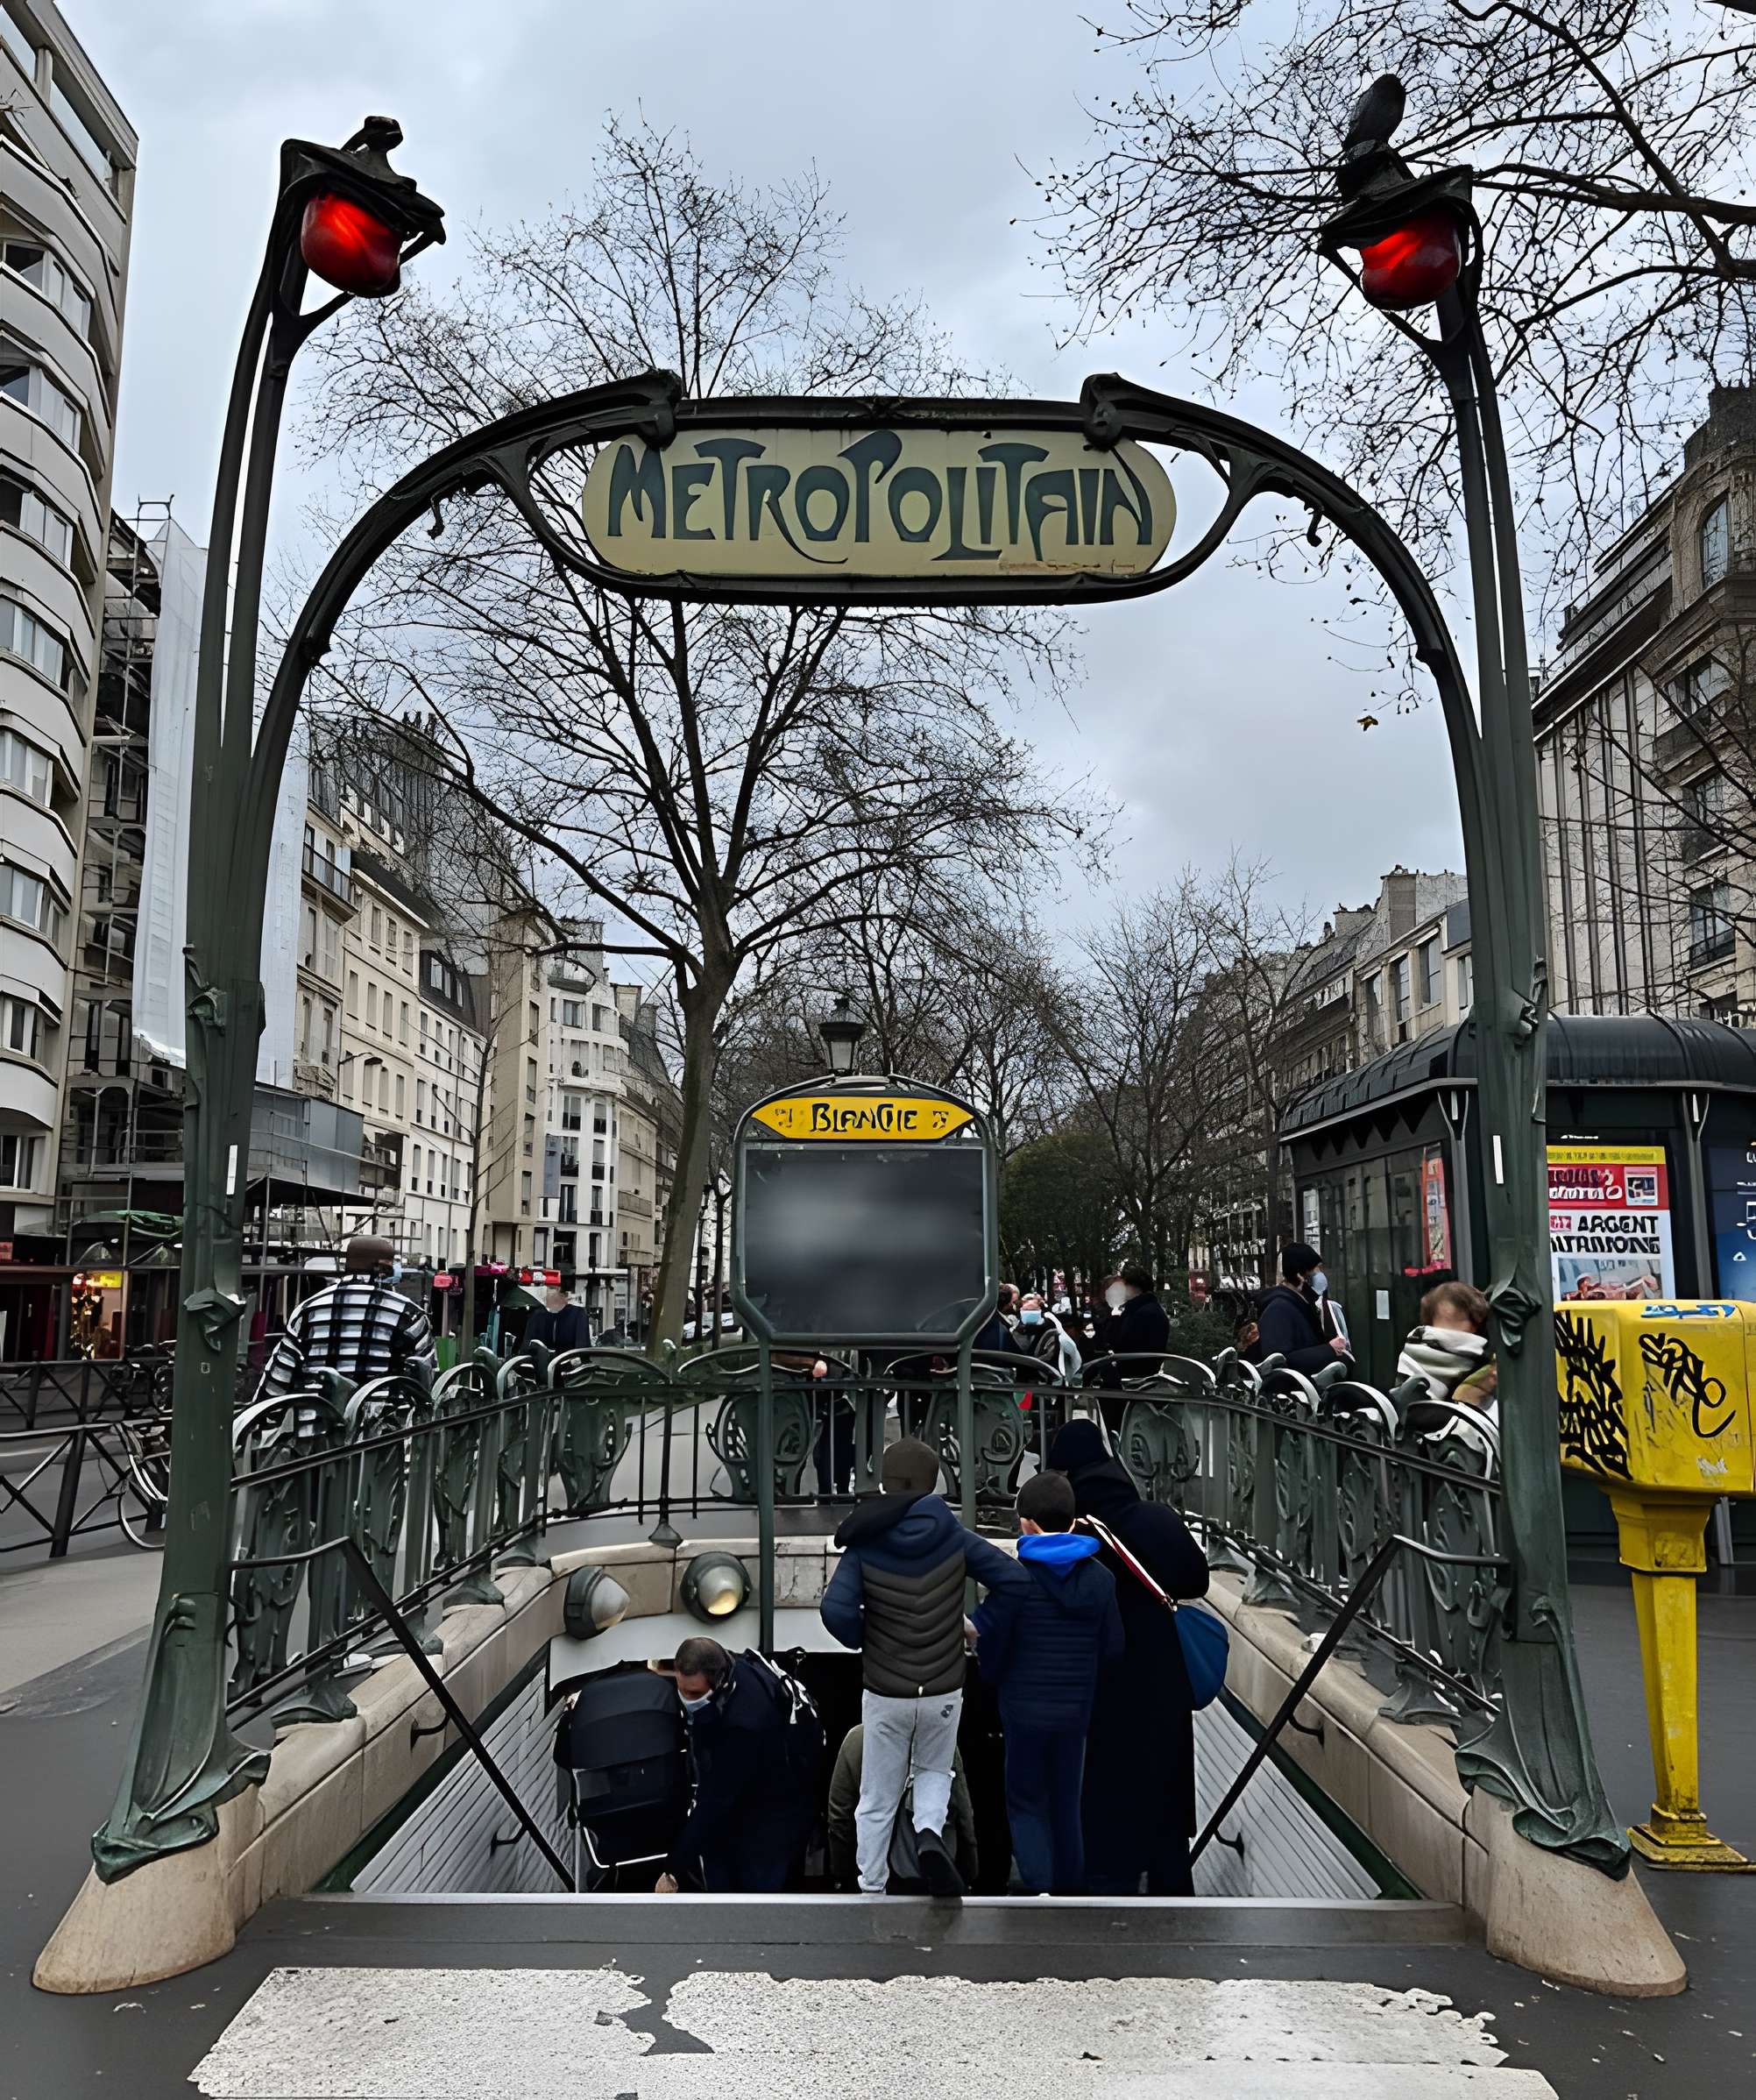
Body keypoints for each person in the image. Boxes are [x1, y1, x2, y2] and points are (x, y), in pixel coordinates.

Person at [821, 1436, 1030, 1898]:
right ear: (933, 1484)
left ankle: (872, 1886)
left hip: (886, 1691)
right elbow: (1015, 1581)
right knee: (935, 1771)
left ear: (885, 1483)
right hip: (942, 1687)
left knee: (876, 1795)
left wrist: (865, 1638)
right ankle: (929, 1834)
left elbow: (834, 1610)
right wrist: (977, 1625)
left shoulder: (865, 1543)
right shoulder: (954, 1537)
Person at [1046, 1417, 1209, 1896]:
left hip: (1101, 1682)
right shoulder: (1156, 1519)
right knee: (1164, 1807)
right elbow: (1196, 1580)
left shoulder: (1070, 1538)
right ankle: (1173, 1897)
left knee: (1104, 1800)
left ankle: (1108, 1901)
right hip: (1161, 1677)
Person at [972, 1470, 1122, 1894]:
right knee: (1066, 1804)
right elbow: (1113, 1648)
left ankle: (1039, 1889)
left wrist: (994, 1679)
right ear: (1073, 1521)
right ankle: (1070, 1893)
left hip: (1022, 1711)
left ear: (1026, 1523)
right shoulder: (1101, 1579)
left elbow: (991, 1646)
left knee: (1025, 1802)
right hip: (1075, 1712)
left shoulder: (1014, 1580)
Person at [656, 1636, 821, 1893]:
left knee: (755, 1892)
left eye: (695, 1694)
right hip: (751, 1788)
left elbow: (716, 1799)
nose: (687, 1699)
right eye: (682, 1690)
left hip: (774, 1811)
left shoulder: (746, 1724)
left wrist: (674, 1869)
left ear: (720, 1683)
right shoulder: (734, 1667)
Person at [258, 1234, 436, 1399]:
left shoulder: (308, 1310)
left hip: (317, 1418)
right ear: (384, 1268)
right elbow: (425, 1379)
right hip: (381, 1418)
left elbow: (278, 1378)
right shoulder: (407, 1314)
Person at [825, 1722, 980, 1891]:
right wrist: (969, 1870)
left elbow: (840, 1816)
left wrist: (843, 1874)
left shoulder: (857, 1739)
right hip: (934, 1874)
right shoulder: (939, 1739)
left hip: (879, 1871)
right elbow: (962, 1811)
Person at [1249, 1243, 1350, 1378]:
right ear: (1300, 1276)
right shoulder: (1278, 1309)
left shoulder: (1303, 1302)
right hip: (1294, 1388)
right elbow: (1279, 1362)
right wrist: (1329, 1349)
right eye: (1316, 1270)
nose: (1321, 1276)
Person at [1091, 1262, 1171, 1360]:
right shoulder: (1142, 1309)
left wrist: (1114, 1321)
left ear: (1133, 1286)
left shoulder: (1144, 1313)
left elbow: (1121, 1345)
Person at [1016, 1292, 1083, 1385]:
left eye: (1033, 1309)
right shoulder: (1014, 1331)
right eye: (1026, 1309)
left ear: (1040, 1310)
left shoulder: (1050, 1330)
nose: (1029, 1312)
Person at [524, 1279, 591, 1356]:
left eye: (550, 1288)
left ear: (562, 1293)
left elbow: (582, 1349)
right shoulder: (537, 1316)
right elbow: (526, 1349)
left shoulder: (578, 1314)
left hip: (568, 1362)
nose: (545, 1292)